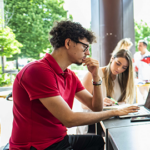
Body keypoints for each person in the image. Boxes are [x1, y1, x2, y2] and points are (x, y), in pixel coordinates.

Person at [9, 20, 139, 150]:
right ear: (68, 43)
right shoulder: (37, 70)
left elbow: (96, 107)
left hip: (59, 139)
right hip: (37, 146)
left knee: (98, 141)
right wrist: (115, 112)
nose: (87, 53)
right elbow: (69, 119)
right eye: (85, 47)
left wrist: (96, 77)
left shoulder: (69, 75)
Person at [77, 48, 135, 134]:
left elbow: (124, 102)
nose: (119, 69)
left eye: (124, 67)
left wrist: (115, 103)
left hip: (112, 121)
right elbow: (83, 105)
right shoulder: (93, 74)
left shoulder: (122, 79)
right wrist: (99, 103)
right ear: (112, 58)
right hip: (92, 123)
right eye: (117, 63)